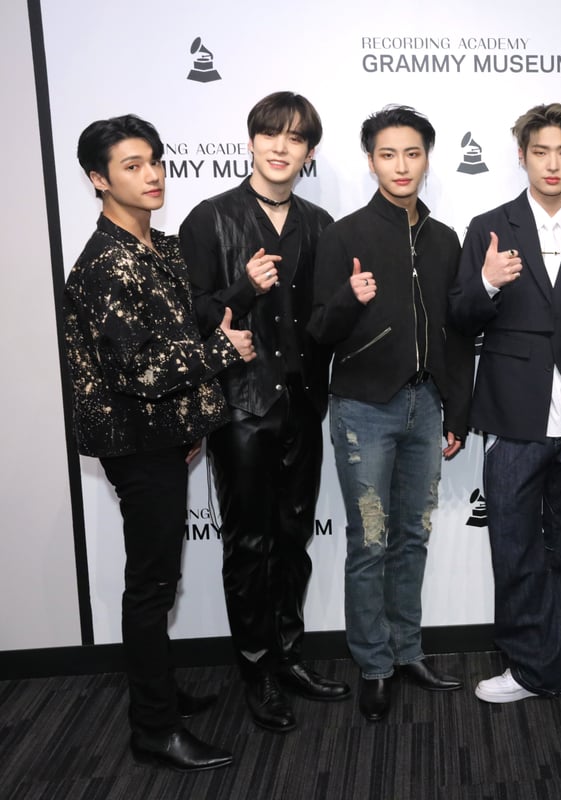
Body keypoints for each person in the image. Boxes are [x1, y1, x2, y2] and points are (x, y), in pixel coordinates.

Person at [64, 114, 255, 771]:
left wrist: (189, 425)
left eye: (154, 161)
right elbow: (138, 369)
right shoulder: (104, 264)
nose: (152, 175)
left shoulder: (159, 248)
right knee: (150, 587)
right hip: (136, 443)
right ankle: (154, 729)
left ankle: (161, 695)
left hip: (164, 435)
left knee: (159, 580)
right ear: (98, 180)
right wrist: (223, 351)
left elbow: (178, 327)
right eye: (131, 166)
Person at [448, 102, 561, 703]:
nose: (552, 164)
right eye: (540, 152)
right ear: (522, 156)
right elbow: (459, 318)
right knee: (515, 543)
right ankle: (532, 665)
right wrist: (486, 282)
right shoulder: (489, 227)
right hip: (514, 409)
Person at [179, 92, 347, 734]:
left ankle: (289, 655)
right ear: (251, 141)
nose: (281, 146)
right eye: (271, 133)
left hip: (302, 405)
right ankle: (257, 671)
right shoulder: (209, 218)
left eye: (295, 137)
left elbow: (326, 319)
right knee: (249, 544)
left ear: (309, 152)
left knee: (294, 538)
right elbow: (192, 314)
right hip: (241, 408)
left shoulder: (321, 223)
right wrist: (244, 289)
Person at [309, 105, 474, 721]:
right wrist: (349, 300)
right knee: (370, 541)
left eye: (412, 153)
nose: (401, 165)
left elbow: (457, 334)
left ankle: (408, 651)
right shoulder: (344, 235)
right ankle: (374, 664)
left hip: (426, 406)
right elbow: (318, 331)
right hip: (363, 409)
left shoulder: (445, 238)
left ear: (427, 158)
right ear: (370, 160)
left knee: (413, 537)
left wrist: (457, 409)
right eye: (387, 154)